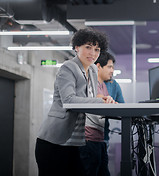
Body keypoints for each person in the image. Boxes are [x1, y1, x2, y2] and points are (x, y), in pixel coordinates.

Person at [35, 28, 116, 176]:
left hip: (75, 143)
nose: (93, 53)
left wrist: (103, 99)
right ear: (77, 47)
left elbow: (88, 98)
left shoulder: (92, 69)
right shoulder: (68, 67)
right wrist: (99, 102)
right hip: (54, 142)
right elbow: (69, 100)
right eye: (88, 47)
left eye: (97, 49)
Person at [79, 51, 117, 176]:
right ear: (99, 66)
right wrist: (106, 100)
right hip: (89, 140)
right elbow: (98, 97)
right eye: (109, 67)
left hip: (99, 139)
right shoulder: (92, 82)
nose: (112, 71)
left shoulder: (103, 85)